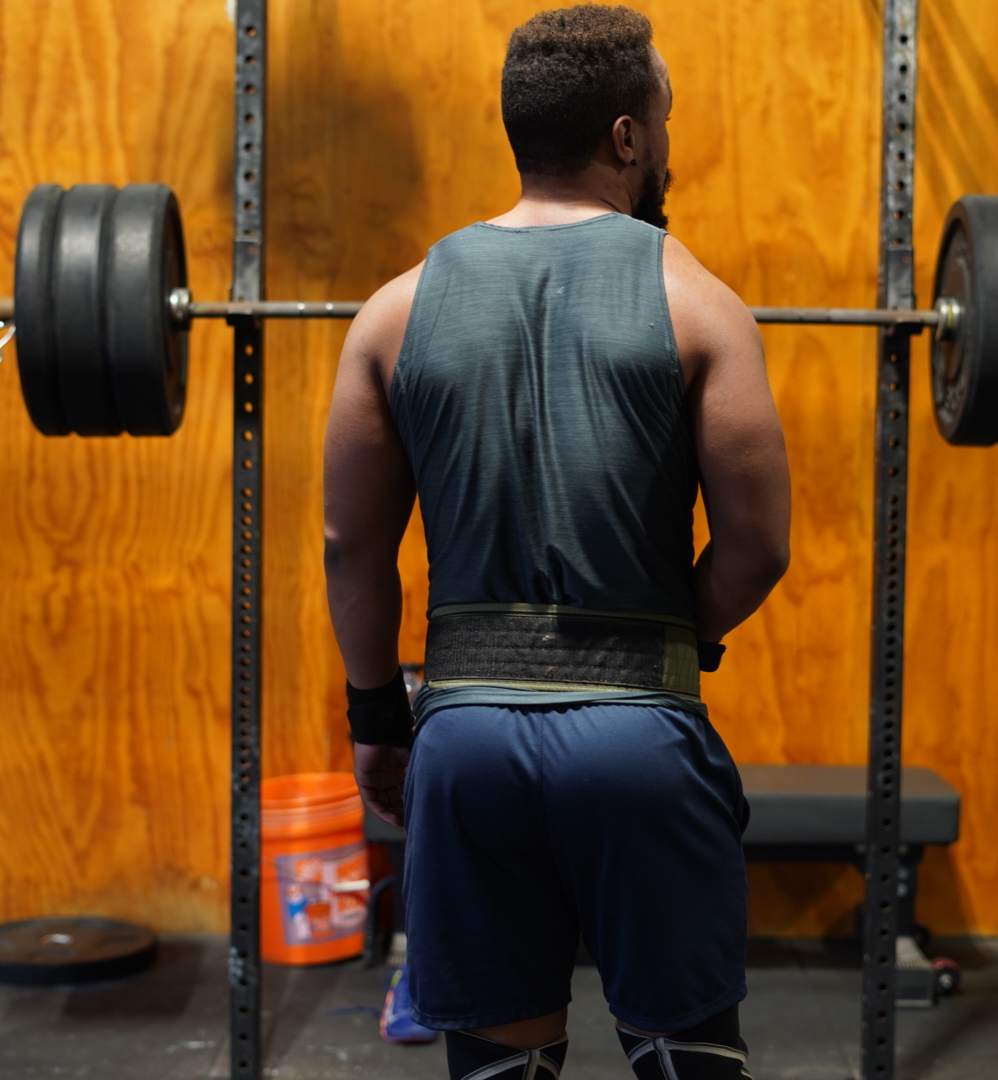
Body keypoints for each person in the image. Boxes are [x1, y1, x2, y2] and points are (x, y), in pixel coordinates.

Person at [323, 6, 790, 1079]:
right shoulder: (699, 304)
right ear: (626, 137)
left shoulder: (393, 312)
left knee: (502, 1060)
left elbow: (352, 547)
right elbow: (756, 547)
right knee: (682, 1053)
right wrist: (662, 641)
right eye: (663, 122)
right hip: (638, 747)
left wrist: (376, 718)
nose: (665, 144)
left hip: (464, 745)